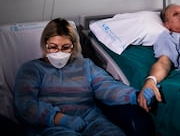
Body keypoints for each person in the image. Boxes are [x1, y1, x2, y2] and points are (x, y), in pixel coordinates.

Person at [14, 18, 155, 136]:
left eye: (65, 47)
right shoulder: (31, 69)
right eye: (53, 47)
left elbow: (107, 87)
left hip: (91, 120)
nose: (59, 52)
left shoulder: (85, 66)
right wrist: (58, 118)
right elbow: (25, 105)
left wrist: (135, 95)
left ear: (73, 46)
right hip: (50, 126)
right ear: (45, 46)